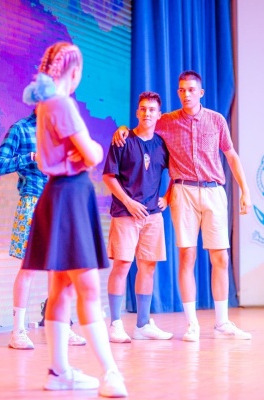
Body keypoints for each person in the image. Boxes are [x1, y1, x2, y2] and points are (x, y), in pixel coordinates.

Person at [113, 71, 252, 342]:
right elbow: (142, 129)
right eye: (182, 90)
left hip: (213, 190)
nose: (186, 94)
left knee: (220, 257)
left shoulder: (216, 119)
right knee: (187, 255)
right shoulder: (166, 121)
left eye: (191, 90)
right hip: (183, 191)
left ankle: (222, 322)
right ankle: (192, 324)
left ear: (201, 93)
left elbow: (231, 156)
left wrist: (245, 190)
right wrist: (122, 129)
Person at [21, 41, 127, 397]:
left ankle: (59, 372)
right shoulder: (62, 104)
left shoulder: (45, 104)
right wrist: (93, 148)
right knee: (87, 288)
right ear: (76, 71)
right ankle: (110, 373)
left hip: (60, 195)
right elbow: (92, 154)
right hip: (69, 195)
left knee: (61, 290)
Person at [0, 113, 87, 349]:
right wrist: (31, 157)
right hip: (33, 200)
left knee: (61, 271)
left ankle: (61, 328)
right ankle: (18, 331)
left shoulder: (64, 131)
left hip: (61, 203)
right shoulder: (21, 128)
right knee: (29, 269)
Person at [102, 91, 173, 343]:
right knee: (122, 265)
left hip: (152, 216)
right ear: (136, 112)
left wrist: (167, 197)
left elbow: (177, 174)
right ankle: (115, 324)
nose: (147, 113)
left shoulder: (162, 145)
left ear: (159, 115)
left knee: (148, 267)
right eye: (143, 109)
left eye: (152, 110)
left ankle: (143, 324)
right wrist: (128, 202)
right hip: (125, 214)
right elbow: (108, 177)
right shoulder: (122, 140)